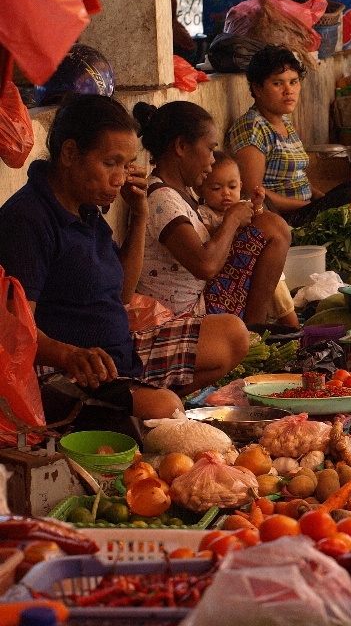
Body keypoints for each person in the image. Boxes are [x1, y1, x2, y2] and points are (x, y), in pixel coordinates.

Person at [0, 94, 248, 424]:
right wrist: (70, 355)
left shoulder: (86, 208)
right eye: (110, 163)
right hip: (66, 372)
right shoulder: (28, 218)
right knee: (165, 409)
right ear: (70, 153)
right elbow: (16, 334)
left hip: (120, 352)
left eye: (126, 165)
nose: (119, 178)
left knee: (232, 334)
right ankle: (139, 413)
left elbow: (123, 295)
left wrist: (140, 213)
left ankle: (141, 406)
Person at [134, 100, 292, 327]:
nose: (211, 162)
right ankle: (253, 330)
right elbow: (205, 265)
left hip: (203, 298)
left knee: (268, 224)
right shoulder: (161, 198)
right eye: (209, 150)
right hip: (187, 313)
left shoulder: (181, 192)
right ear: (181, 146)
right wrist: (232, 219)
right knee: (273, 228)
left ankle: (255, 329)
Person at [226, 45, 351, 236]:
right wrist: (307, 204)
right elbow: (252, 191)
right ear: (257, 88)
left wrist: (316, 194)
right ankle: (350, 264)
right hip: (282, 219)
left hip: (305, 207)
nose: (288, 90)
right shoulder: (252, 128)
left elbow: (294, 176)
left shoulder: (283, 122)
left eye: (293, 82)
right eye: (278, 83)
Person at [196, 151, 299, 328]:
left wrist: (257, 205)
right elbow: (207, 238)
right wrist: (229, 222)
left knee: (277, 280)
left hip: (248, 264)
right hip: (227, 271)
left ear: (241, 186)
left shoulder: (241, 207)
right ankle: (268, 327)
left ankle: (293, 327)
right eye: (216, 188)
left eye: (232, 187)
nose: (226, 193)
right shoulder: (204, 214)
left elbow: (258, 222)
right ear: (201, 189)